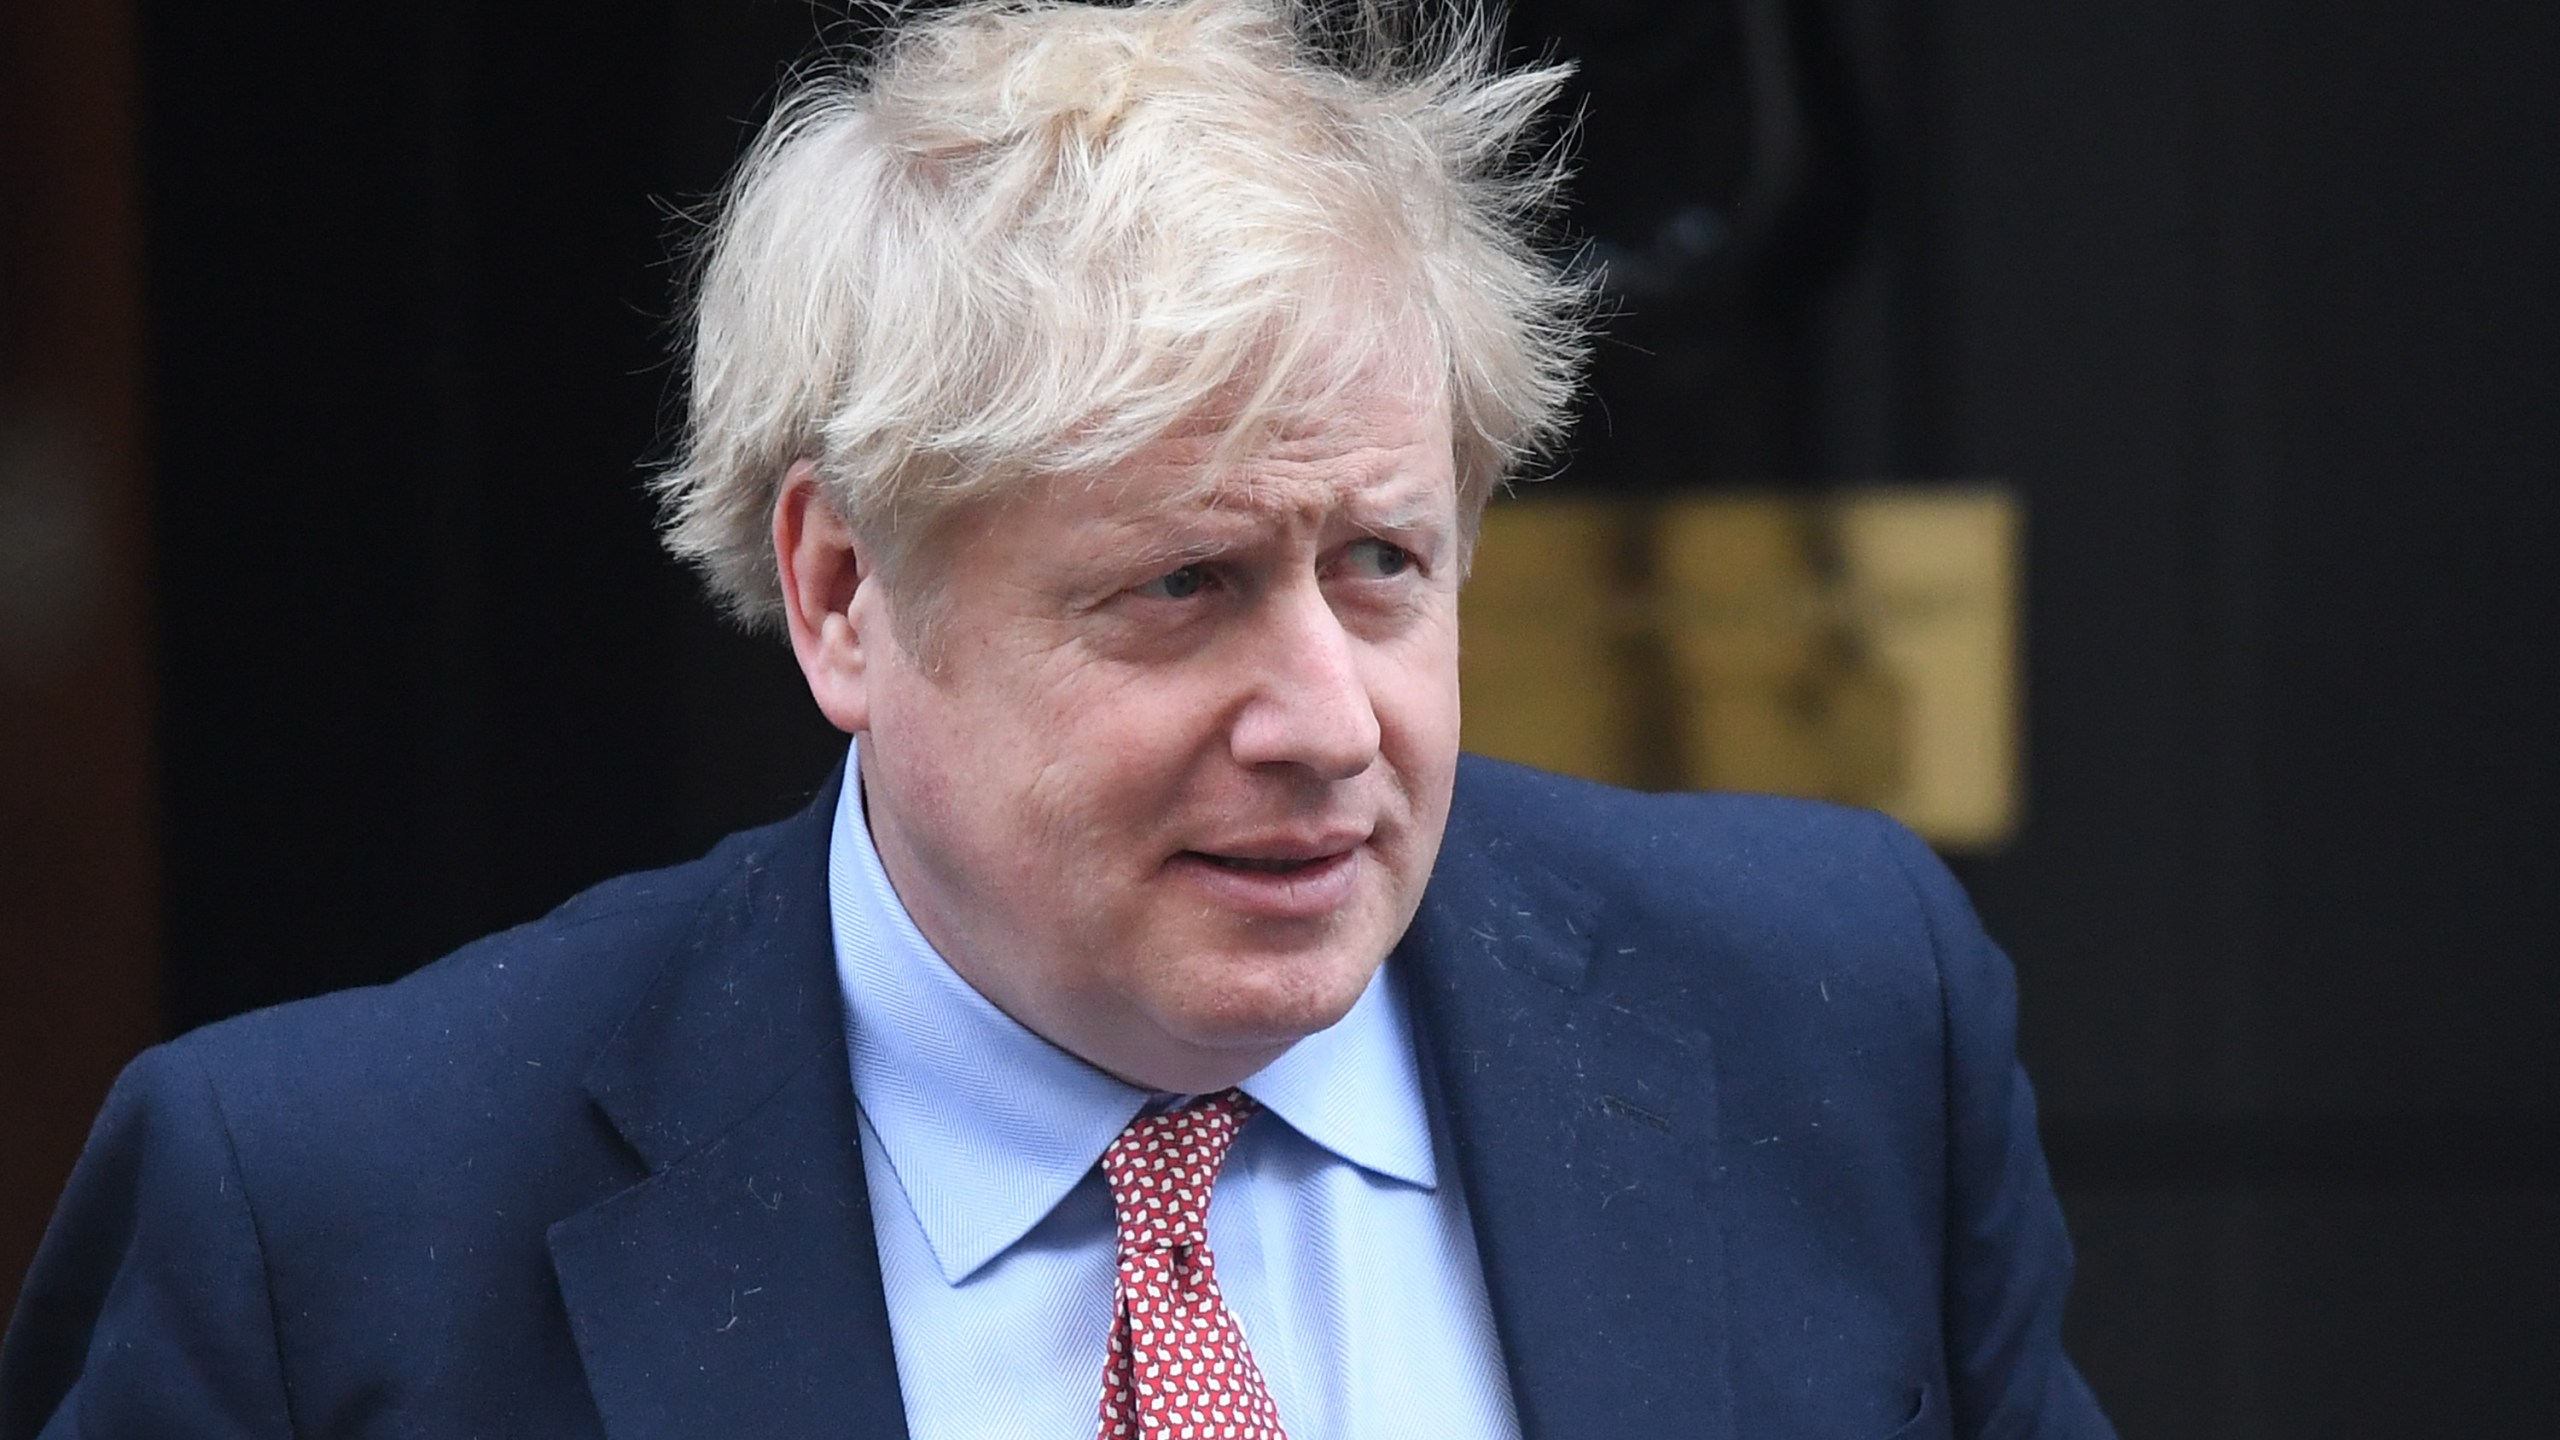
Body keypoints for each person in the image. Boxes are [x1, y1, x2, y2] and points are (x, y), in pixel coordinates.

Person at [1, 0, 2113, 1435]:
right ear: (841, 590)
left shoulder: (1827, 1014)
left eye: (1379, 565)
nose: (1317, 717)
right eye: (1178, 589)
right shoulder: (323, 1223)